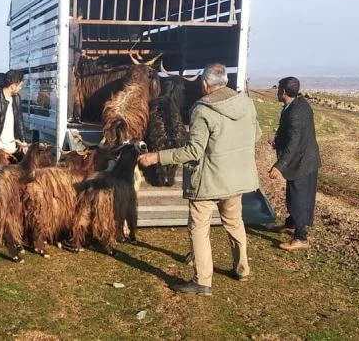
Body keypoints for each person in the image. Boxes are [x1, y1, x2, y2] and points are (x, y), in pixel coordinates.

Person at [138, 63, 260, 296]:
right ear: (224, 81)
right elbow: (256, 134)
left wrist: (157, 157)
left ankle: (202, 281)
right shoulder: (247, 104)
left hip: (209, 180)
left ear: (205, 84)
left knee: (199, 227)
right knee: (234, 223)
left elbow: (192, 152)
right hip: (237, 179)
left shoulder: (203, 110)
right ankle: (242, 269)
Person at [268, 76, 321, 251]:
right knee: (294, 195)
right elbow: (292, 135)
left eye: (278, 90)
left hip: (302, 161)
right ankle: (291, 225)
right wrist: (278, 141)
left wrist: (278, 165)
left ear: (283, 92)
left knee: (299, 199)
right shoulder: (300, 104)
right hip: (305, 158)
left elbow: (294, 143)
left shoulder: (295, 112)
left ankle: (301, 238)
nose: (276, 92)